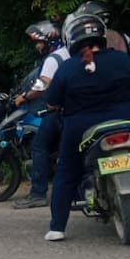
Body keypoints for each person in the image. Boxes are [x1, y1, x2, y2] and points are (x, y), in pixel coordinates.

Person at [43, 14, 130, 241]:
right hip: (126, 121)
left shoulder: (67, 68)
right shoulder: (122, 59)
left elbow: (51, 102)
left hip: (81, 128)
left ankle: (57, 227)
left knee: (66, 172)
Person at [12, 21, 70, 209]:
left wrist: (23, 96)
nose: (37, 46)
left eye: (39, 42)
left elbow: (42, 86)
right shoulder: (71, 53)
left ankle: (37, 193)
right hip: (79, 110)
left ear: (49, 40)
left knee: (39, 147)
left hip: (59, 112)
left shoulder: (53, 59)